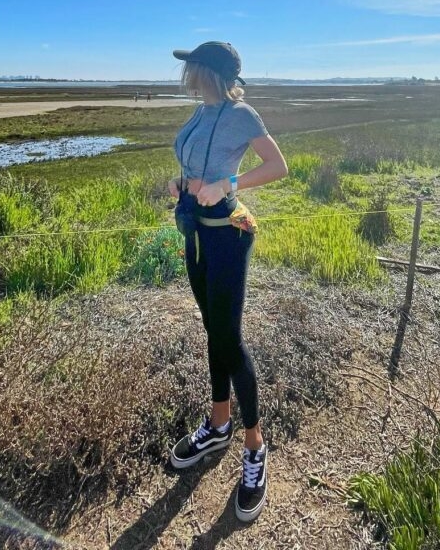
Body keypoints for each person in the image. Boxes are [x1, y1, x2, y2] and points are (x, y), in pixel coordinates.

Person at [167, 41, 288, 523]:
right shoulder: (200, 112)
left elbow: (279, 166)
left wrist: (228, 185)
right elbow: (194, 166)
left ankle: (254, 444)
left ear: (208, 71)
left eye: (191, 66)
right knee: (212, 331)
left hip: (228, 237)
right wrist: (182, 184)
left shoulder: (242, 114)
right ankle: (218, 424)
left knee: (230, 340)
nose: (186, 73)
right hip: (197, 233)